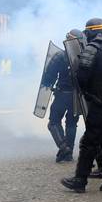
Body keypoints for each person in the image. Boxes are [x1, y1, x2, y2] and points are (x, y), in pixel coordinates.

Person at [61, 19, 102, 193]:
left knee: (89, 143)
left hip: (99, 104)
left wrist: (87, 91)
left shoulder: (91, 49)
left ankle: (80, 180)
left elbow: (82, 77)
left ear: (91, 33)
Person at [41, 29, 85, 163]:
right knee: (72, 124)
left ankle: (64, 147)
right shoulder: (85, 56)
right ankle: (69, 153)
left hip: (62, 95)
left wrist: (47, 84)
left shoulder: (60, 56)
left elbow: (48, 77)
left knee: (53, 122)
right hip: (77, 97)